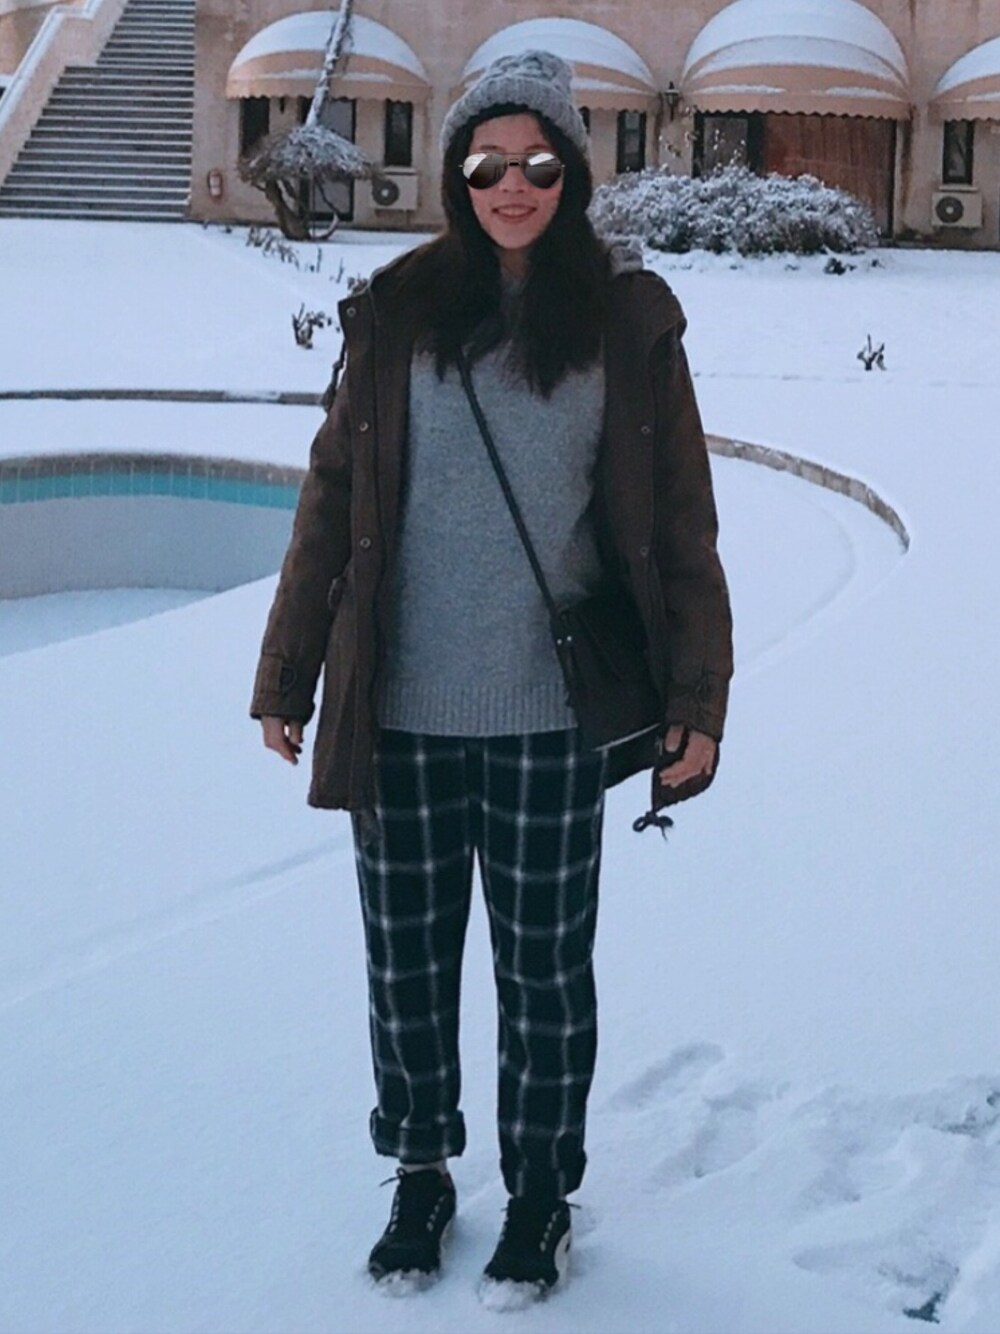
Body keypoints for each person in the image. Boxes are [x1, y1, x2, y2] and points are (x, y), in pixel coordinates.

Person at [249, 48, 733, 1301]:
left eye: (536, 164)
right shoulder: (398, 309)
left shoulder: (624, 321)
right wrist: (287, 672)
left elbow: (679, 527)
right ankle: (420, 1170)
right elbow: (331, 500)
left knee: (544, 974)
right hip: (399, 709)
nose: (510, 185)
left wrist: (697, 699)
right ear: (456, 177)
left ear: (570, 176)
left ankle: (538, 1194)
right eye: (484, 163)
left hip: (549, 719)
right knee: (406, 965)